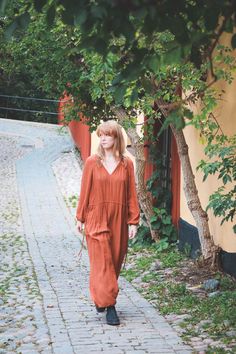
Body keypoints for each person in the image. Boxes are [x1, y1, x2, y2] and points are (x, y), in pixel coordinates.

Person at [76, 120, 140, 326]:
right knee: (102, 262)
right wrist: (80, 217)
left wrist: (133, 221)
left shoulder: (126, 163)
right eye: (100, 135)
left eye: (107, 135)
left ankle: (101, 296)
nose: (102, 138)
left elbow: (131, 194)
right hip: (96, 217)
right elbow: (84, 191)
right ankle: (110, 305)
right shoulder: (91, 162)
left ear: (116, 138)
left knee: (113, 262)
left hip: (119, 220)